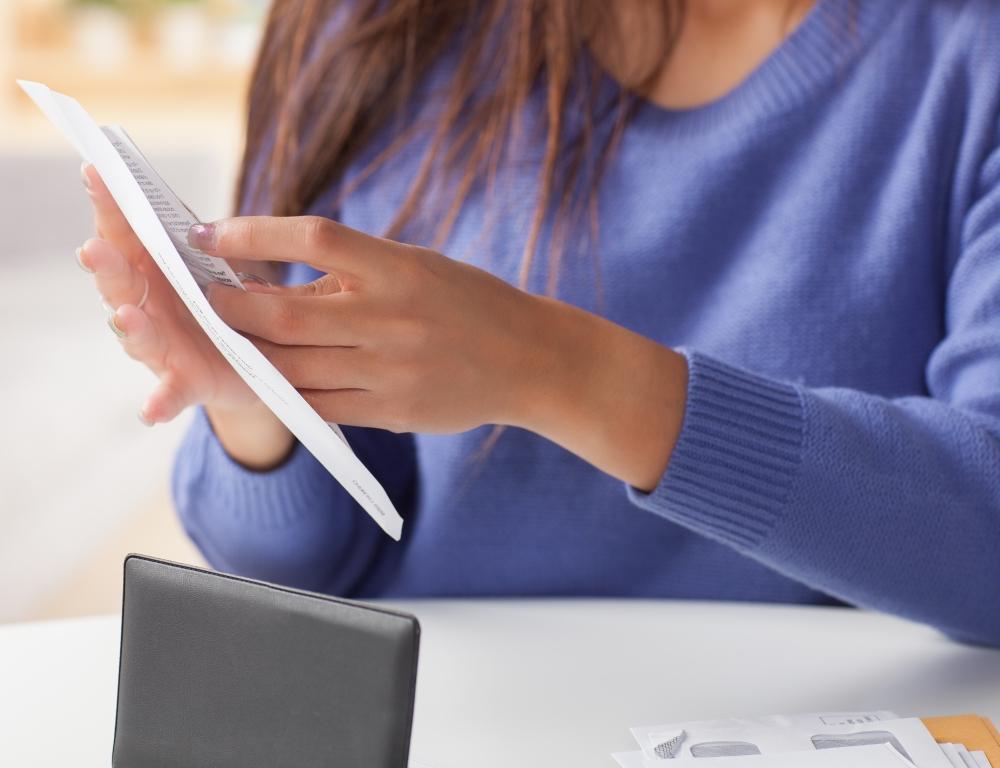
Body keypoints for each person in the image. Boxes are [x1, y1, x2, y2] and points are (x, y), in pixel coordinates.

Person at [77, 0, 1000, 646]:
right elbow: (305, 565)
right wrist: (259, 413)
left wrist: (554, 369)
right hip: (440, 724)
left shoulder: (964, 57)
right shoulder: (375, 28)